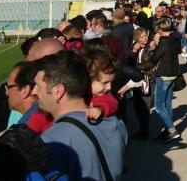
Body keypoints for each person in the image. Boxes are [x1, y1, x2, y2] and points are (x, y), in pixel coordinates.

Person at [34, 51, 127, 181]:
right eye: (104, 83)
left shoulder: (53, 141)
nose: (33, 91)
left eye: (38, 86)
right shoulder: (115, 125)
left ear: (58, 91)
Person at [148, 16, 182, 142]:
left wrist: (153, 48)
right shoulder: (174, 39)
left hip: (164, 74)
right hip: (174, 73)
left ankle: (172, 130)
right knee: (167, 104)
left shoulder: (163, 42)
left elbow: (153, 60)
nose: (156, 31)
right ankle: (168, 130)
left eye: (157, 29)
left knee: (159, 106)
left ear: (161, 29)